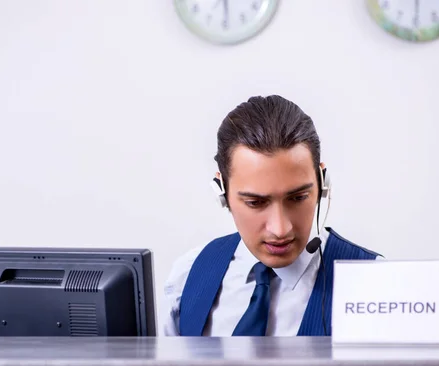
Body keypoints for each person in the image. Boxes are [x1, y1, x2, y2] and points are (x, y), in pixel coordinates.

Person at [161, 94, 381, 337]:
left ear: (322, 185)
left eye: (298, 198)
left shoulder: (378, 285)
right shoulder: (187, 277)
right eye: (255, 202)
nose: (280, 229)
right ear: (221, 193)